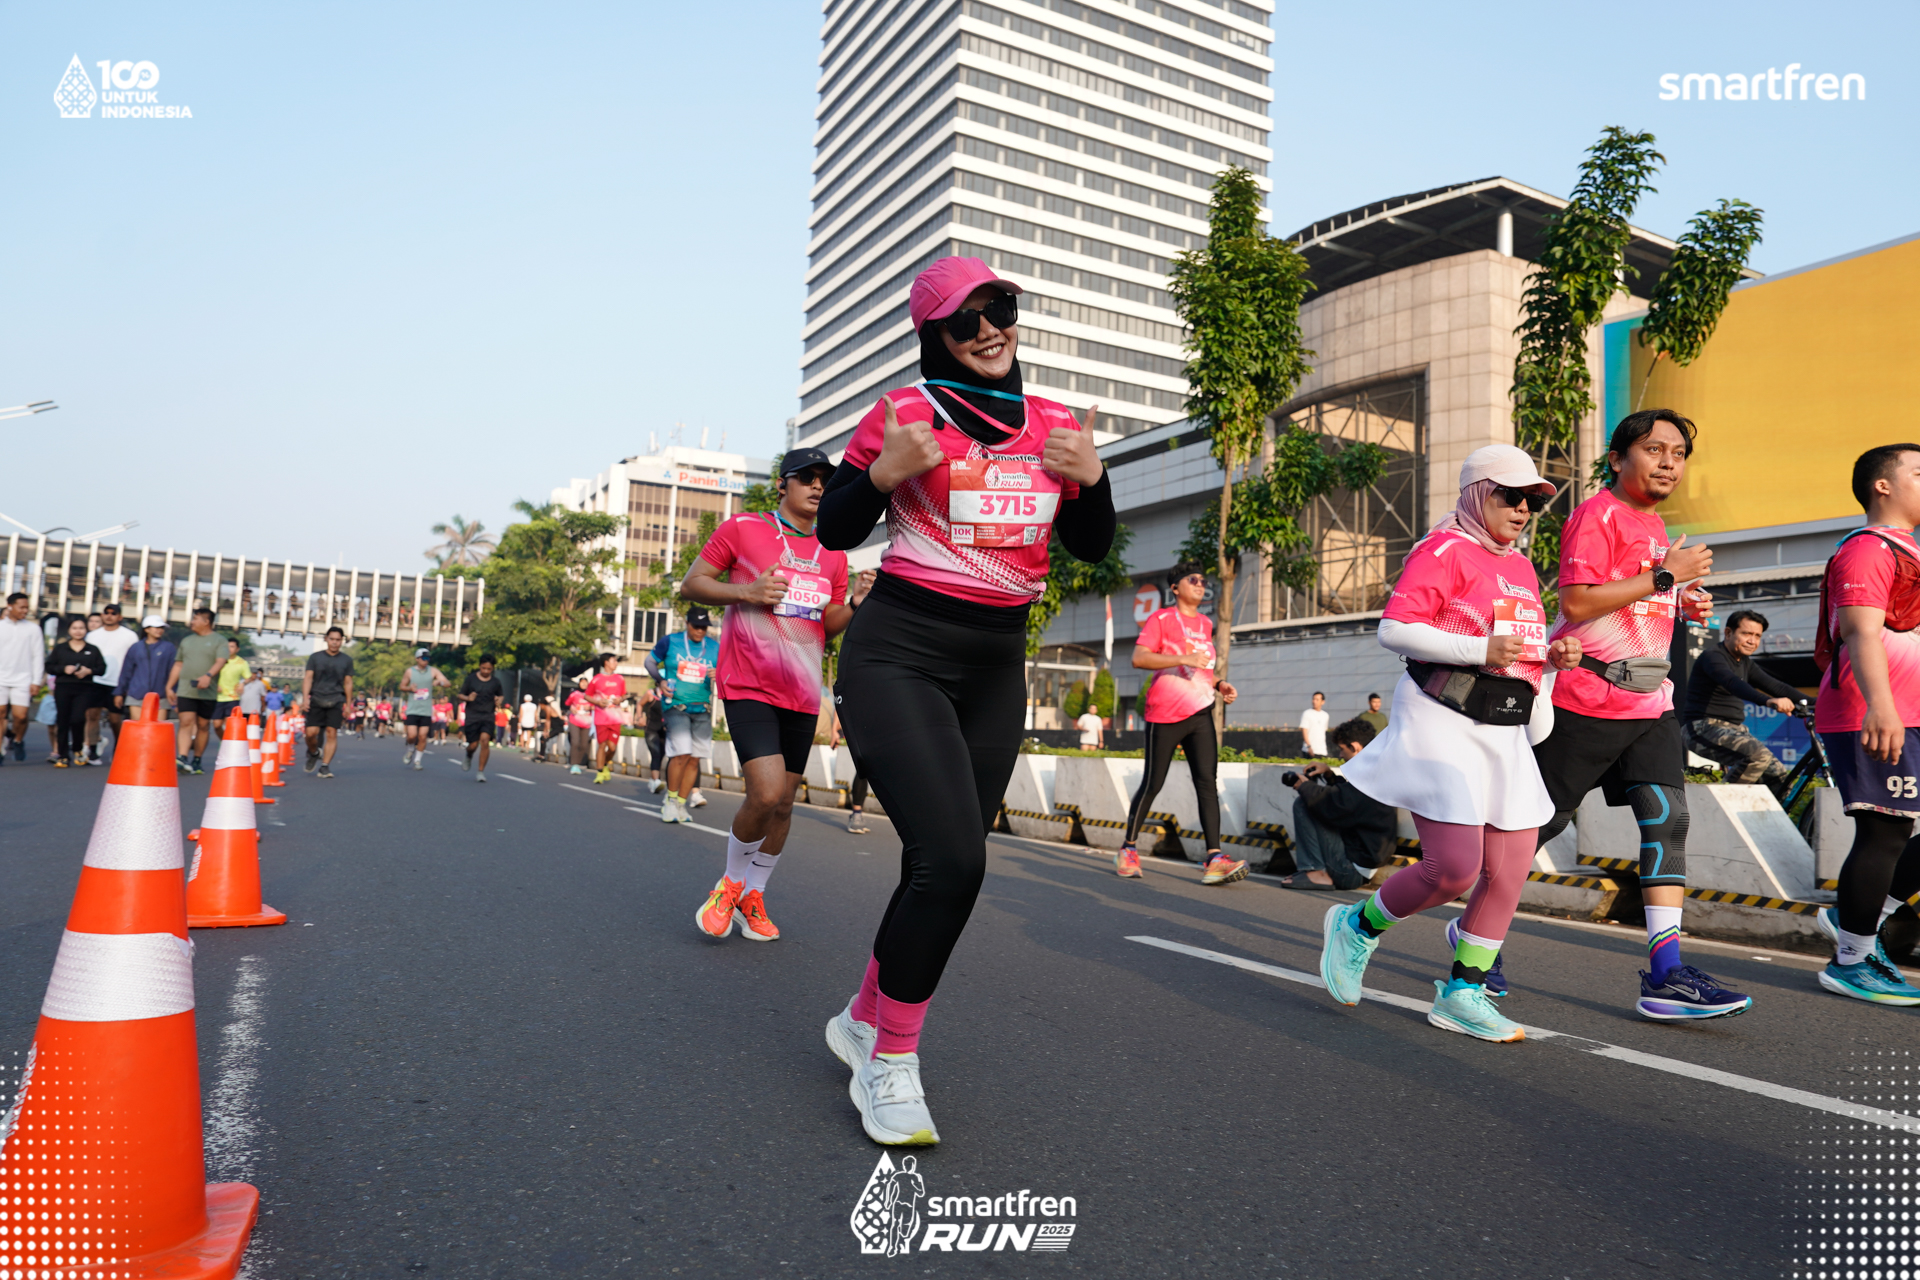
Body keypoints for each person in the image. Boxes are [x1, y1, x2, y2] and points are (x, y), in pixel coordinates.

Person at [814, 255, 1113, 1145]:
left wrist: (1094, 478)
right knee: (952, 863)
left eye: (1000, 309)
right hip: (898, 655)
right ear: (933, 335)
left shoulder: (1055, 422)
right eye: (964, 320)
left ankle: (863, 1018)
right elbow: (835, 529)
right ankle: (891, 1060)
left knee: (942, 864)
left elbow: (1092, 545)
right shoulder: (903, 413)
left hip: (995, 668)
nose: (988, 331)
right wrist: (878, 475)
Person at [1320, 445, 1585, 1041]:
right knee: (1455, 868)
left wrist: (1552, 658)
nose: (1523, 509)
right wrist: (1478, 649)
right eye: (1510, 496)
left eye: (1532, 500)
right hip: (1441, 715)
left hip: (1501, 724)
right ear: (1476, 494)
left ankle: (1464, 993)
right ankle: (1357, 927)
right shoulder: (1441, 550)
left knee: (1510, 867)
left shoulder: (1521, 567)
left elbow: (1516, 652)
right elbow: (1395, 629)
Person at [1523, 408, 1749, 1020]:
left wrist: (1680, 598)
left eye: (1679, 453)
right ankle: (1474, 936)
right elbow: (1576, 602)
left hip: (1649, 702)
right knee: (1536, 827)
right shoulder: (1596, 514)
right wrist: (1666, 575)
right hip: (1584, 699)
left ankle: (1666, 975)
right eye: (1654, 450)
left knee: (1667, 819)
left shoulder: (1654, 523)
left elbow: (1639, 597)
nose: (1669, 462)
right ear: (1617, 459)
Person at [682, 447, 858, 941]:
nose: (818, 485)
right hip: (749, 683)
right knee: (765, 792)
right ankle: (729, 885)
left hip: (801, 691)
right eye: (807, 476)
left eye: (826, 479)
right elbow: (692, 584)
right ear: (782, 484)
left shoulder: (834, 551)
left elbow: (827, 624)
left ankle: (753, 896)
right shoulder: (743, 528)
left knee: (784, 804)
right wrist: (747, 592)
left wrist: (856, 604)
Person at [1807, 444, 1920, 1005]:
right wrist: (1881, 705)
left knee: (1894, 831)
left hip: (1910, 710)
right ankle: (1852, 959)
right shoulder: (1868, 548)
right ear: (1883, 485)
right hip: (1875, 711)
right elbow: (1860, 631)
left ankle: (1861, 918)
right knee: (1885, 831)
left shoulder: (1907, 550)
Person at [1112, 562, 1244, 883]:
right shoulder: (1161, 619)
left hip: (1201, 712)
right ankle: (1128, 849)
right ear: (1175, 588)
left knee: (1207, 783)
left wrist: (1219, 684)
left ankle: (1214, 858)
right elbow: (1139, 657)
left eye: (1203, 581)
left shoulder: (1205, 623)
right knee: (1153, 782)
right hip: (1165, 712)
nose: (1200, 584)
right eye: (1192, 579)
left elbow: (1202, 670)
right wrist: (1183, 658)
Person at [1681, 609, 1801, 793]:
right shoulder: (1713, 656)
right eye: (1746, 634)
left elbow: (1778, 687)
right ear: (1728, 633)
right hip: (1701, 728)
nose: (1752, 641)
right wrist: (1768, 701)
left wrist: (1820, 703)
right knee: (1756, 755)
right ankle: (1722, 807)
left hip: (1734, 729)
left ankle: (1766, 812)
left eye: (1757, 636)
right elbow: (1732, 683)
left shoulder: (1745, 662)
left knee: (1779, 777)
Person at [1276, 717, 1397, 892]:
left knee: (1303, 804)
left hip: (1349, 872)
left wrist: (1304, 786)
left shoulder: (1367, 780)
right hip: (1357, 864)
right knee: (1312, 799)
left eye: (1342, 749)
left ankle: (1315, 871)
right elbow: (1348, 799)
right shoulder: (1373, 774)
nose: (1340, 755)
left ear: (1355, 747)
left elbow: (1333, 804)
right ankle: (1316, 871)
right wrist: (1329, 775)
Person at [645, 610, 717, 817]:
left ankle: (681, 804)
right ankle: (670, 799)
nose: (700, 631)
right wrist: (660, 681)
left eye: (704, 627)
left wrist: (720, 673)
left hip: (702, 708)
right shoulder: (671, 641)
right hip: (676, 706)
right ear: (686, 623)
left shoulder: (715, 647)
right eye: (696, 626)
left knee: (695, 758)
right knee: (682, 753)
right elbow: (649, 662)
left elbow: (731, 671)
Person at [167, 607, 228, 773]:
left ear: (206, 622)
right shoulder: (187, 641)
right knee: (185, 722)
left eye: (195, 619)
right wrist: (169, 686)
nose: (192, 622)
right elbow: (178, 665)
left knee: (203, 725)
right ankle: (182, 757)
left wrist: (208, 676)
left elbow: (221, 661)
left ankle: (197, 760)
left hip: (208, 691)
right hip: (186, 689)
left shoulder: (219, 640)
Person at [45, 616, 106, 767]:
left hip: (84, 688)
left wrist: (88, 671)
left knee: (78, 719)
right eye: (74, 628)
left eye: (81, 628)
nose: (78, 631)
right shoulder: (60, 648)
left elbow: (102, 669)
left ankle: (77, 747)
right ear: (69, 630)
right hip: (63, 687)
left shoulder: (92, 649)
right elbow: (49, 667)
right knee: (63, 721)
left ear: (86, 630)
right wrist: (63, 669)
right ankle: (63, 755)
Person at [84, 604, 137, 764]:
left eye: (113, 613)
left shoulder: (129, 636)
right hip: (95, 680)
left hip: (117, 682)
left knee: (115, 719)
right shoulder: (92, 635)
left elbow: (134, 661)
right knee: (92, 716)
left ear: (120, 617)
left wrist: (127, 684)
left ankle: (119, 748)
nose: (109, 616)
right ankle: (93, 750)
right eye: (106, 613)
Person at [301, 626, 355, 779]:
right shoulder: (315, 657)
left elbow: (348, 683)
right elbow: (308, 678)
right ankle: (314, 752)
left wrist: (348, 705)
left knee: (332, 733)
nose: (334, 642)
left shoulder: (346, 660)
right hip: (316, 699)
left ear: (342, 641)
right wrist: (305, 699)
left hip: (336, 700)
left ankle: (324, 766)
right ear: (326, 639)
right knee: (311, 734)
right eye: (332, 639)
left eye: (338, 640)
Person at [0, 592, 46, 765]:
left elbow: (38, 656)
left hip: (23, 679)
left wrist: (36, 681)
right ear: (10, 606)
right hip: (1, 678)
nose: (25, 611)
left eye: (27, 607)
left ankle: (18, 740)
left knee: (20, 716)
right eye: (21, 607)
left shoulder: (33, 629)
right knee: (1, 713)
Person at [114, 615, 177, 727]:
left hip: (161, 695)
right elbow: (126, 671)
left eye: (161, 628)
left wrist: (173, 691)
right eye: (156, 627)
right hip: (136, 694)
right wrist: (119, 692)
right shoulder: (136, 647)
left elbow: (173, 671)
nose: (159, 630)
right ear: (147, 629)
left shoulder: (169, 648)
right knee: (138, 728)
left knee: (157, 728)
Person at [459, 654, 505, 782]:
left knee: (485, 741)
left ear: (493, 668)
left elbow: (501, 695)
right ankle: (469, 754)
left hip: (488, 715)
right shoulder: (471, 679)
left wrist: (499, 700)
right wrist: (468, 698)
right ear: (479, 666)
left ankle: (480, 771)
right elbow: (460, 695)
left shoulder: (496, 682)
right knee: (473, 745)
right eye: (483, 668)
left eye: (489, 669)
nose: (486, 671)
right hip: (472, 715)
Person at [400, 649, 448, 770]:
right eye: (423, 658)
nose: (426, 661)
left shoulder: (433, 671)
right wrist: (410, 688)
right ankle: (410, 749)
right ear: (417, 659)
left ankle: (417, 760)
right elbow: (402, 686)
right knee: (412, 735)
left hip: (426, 710)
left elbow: (447, 683)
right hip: (413, 709)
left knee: (422, 736)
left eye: (428, 658)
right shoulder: (410, 671)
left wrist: (440, 683)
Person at [583, 653, 628, 785]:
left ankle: (605, 764)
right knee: (602, 744)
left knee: (612, 748)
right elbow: (586, 696)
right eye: (614, 661)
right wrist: (597, 702)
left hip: (615, 717)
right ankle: (600, 772)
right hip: (601, 717)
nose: (616, 663)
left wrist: (620, 699)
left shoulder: (620, 678)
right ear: (606, 662)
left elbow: (624, 695)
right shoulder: (596, 679)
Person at [564, 672, 596, 774]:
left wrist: (590, 707)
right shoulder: (574, 694)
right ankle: (574, 764)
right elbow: (567, 703)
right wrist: (571, 707)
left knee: (584, 744)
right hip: (575, 720)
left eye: (585, 683)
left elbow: (596, 706)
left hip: (587, 722)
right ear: (579, 684)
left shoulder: (591, 695)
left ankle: (578, 762)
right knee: (575, 742)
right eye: (582, 682)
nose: (584, 684)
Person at [215, 637, 251, 725]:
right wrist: (215, 684)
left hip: (233, 698)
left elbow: (248, 678)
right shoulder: (218, 660)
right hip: (217, 697)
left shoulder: (242, 663)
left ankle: (225, 734)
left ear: (237, 649)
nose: (229, 649)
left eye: (232, 647)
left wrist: (243, 683)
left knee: (228, 723)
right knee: (216, 724)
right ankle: (222, 734)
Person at [643, 687, 667, 793]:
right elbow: (639, 704)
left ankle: (653, 779)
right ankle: (656, 781)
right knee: (656, 753)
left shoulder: (671, 694)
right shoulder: (651, 694)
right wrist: (639, 717)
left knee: (661, 754)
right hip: (651, 729)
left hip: (665, 730)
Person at [1300, 692, 1330, 757]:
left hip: (1322, 751)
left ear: (1323, 702)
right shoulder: (1307, 713)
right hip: (1308, 751)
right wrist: (1309, 746)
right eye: (1313, 699)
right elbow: (1304, 731)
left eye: (1317, 700)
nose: (1314, 701)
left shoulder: (1325, 715)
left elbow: (1323, 731)